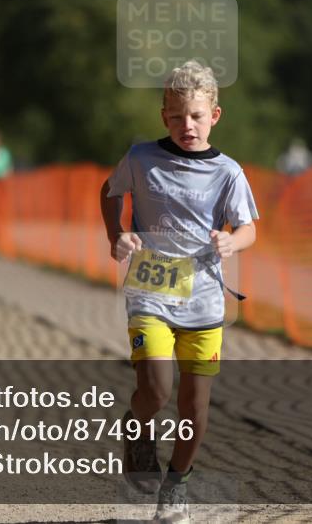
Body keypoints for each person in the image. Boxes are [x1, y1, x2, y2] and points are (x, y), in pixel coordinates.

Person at [100, 60, 258, 524]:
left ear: (215, 115)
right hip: (150, 291)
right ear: (163, 116)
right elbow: (109, 192)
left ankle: (176, 485)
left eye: (196, 115)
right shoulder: (142, 158)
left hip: (205, 300)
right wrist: (118, 235)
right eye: (177, 116)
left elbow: (248, 227)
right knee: (155, 385)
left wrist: (233, 240)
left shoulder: (228, 172)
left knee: (194, 406)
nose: (187, 125)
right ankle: (137, 423)